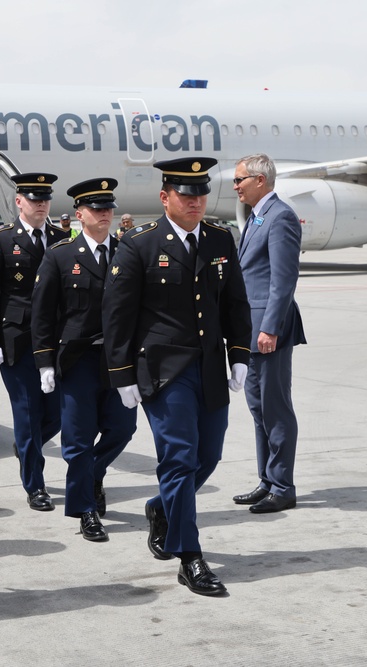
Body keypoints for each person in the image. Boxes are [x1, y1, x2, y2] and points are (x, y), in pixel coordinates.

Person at [102, 157, 251, 596]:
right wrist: (121, 373)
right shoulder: (139, 244)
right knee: (180, 458)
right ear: (165, 197)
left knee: (210, 455)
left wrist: (239, 354)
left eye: (201, 193)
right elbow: (116, 313)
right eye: (186, 194)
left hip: (208, 366)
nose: (196, 201)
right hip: (164, 371)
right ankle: (189, 556)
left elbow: (235, 303)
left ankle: (161, 508)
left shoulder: (221, 240)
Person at [31, 177, 137, 542]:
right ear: (80, 214)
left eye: (108, 207)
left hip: (119, 361)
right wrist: (45, 362)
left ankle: (92, 476)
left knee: (124, 428)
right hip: (77, 361)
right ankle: (86, 510)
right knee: (76, 439)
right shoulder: (60, 255)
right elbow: (42, 313)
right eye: (96, 208)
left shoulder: (128, 251)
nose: (105, 213)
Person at [0, 173, 66, 511]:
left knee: (56, 414)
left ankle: (26, 446)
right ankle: (35, 484)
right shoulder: (1, 240)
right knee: (27, 413)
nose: (41, 204)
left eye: (45, 198)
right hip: (17, 339)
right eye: (33, 198)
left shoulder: (60, 237)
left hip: (55, 341)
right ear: (19, 202)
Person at [231, 153, 306, 514]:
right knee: (258, 408)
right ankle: (267, 480)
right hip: (252, 329)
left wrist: (270, 328)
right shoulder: (258, 215)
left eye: (239, 179)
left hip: (268, 331)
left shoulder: (281, 217)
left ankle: (283, 485)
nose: (235, 186)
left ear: (260, 180)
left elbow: (283, 279)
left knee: (276, 408)